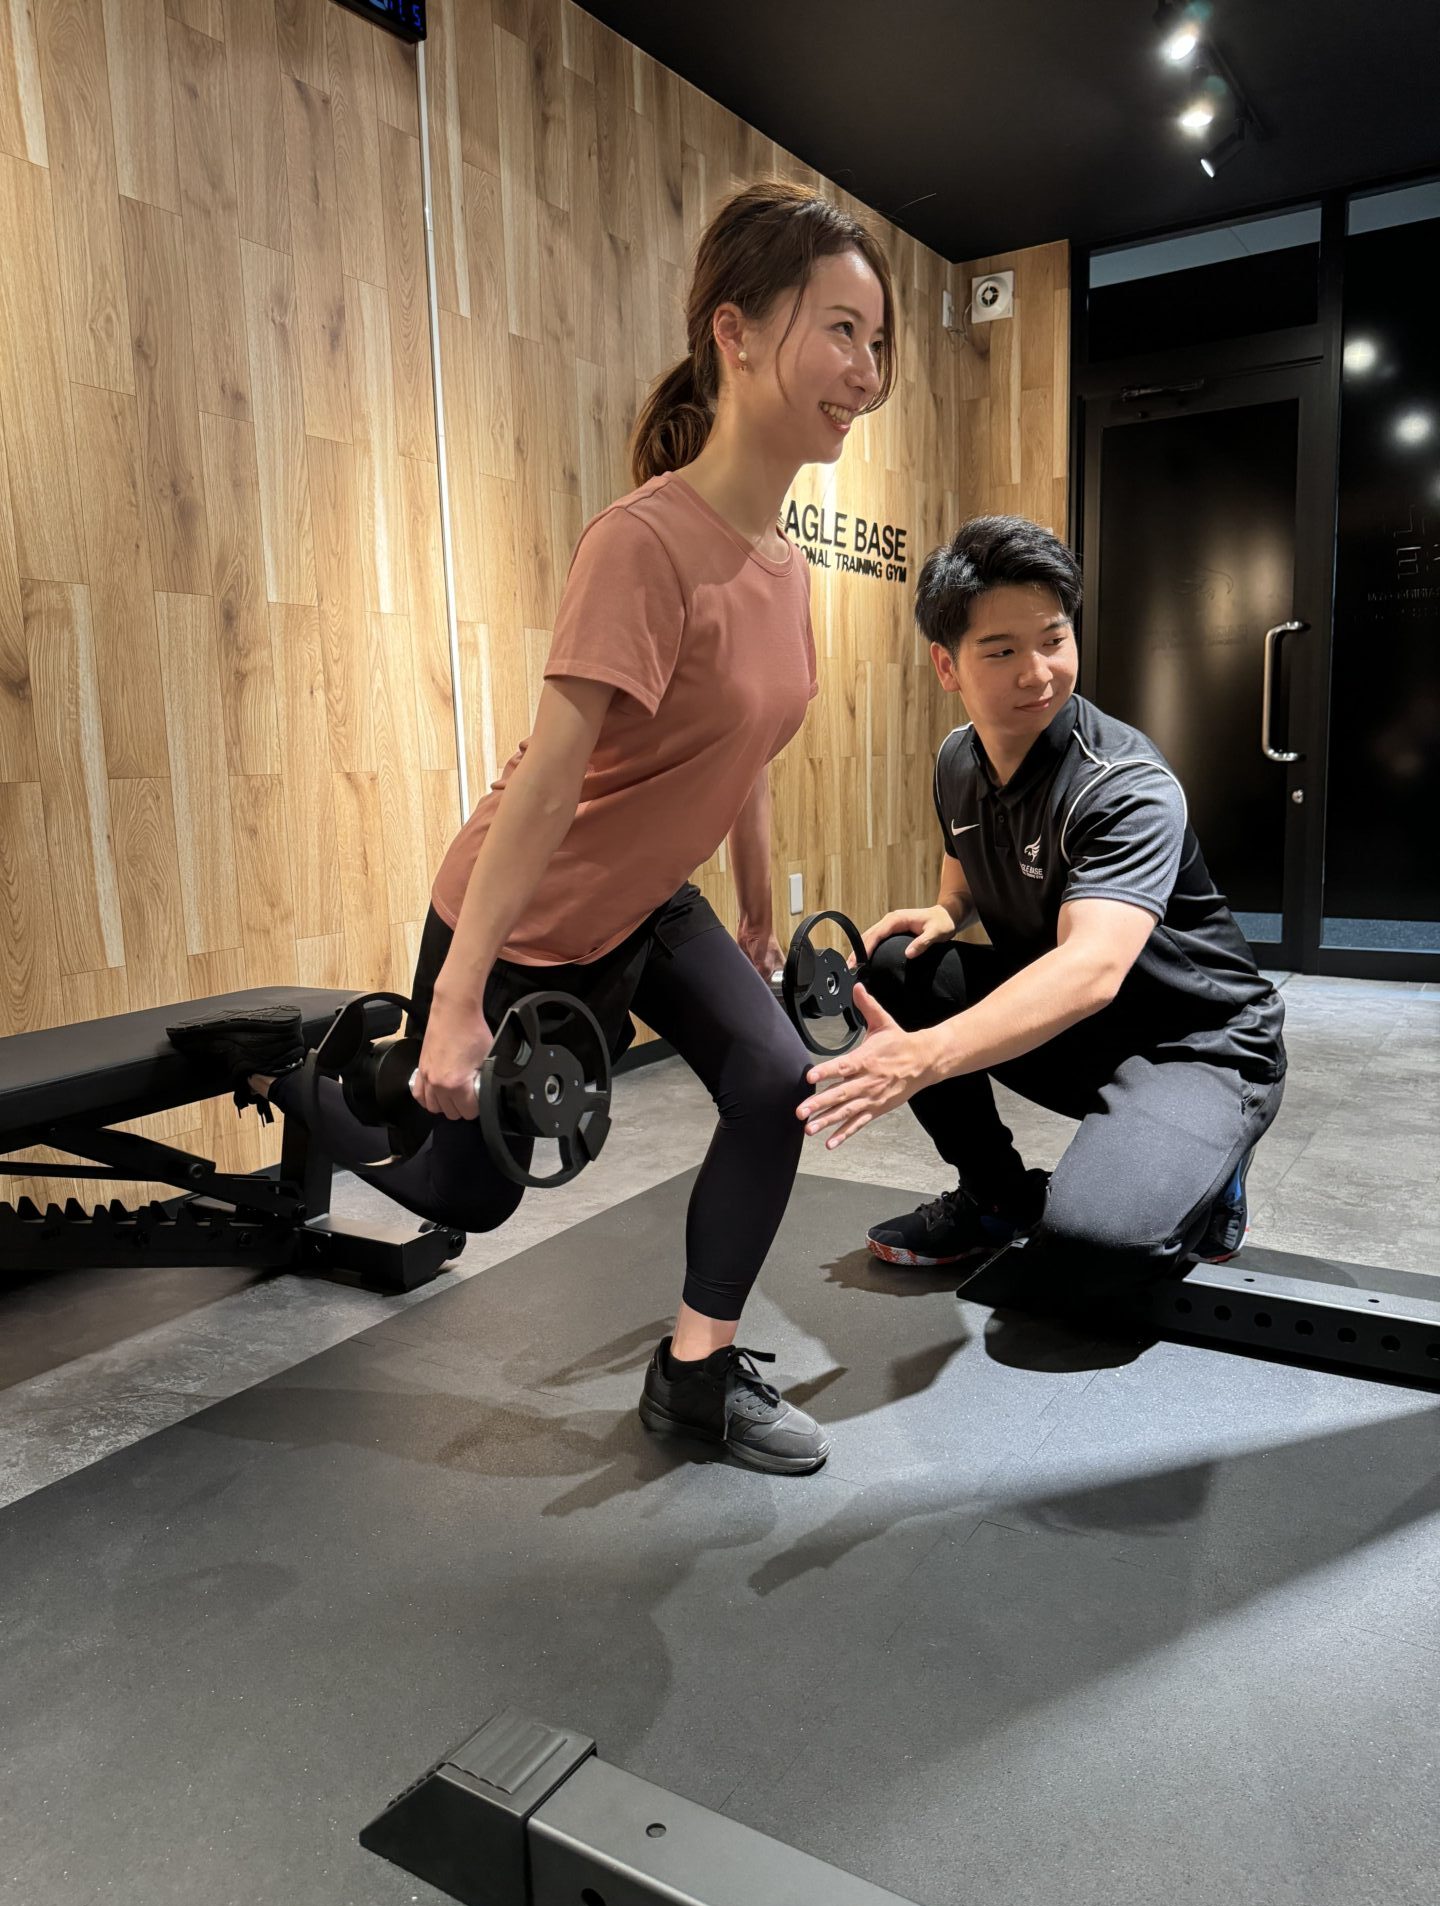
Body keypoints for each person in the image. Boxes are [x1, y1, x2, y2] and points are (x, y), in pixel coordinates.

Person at [168, 180, 897, 1475]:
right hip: (526, 913)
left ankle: (697, 1376)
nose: (867, 371)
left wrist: (759, 906)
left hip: (647, 904)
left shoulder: (785, 566)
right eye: (842, 330)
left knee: (774, 1081)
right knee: (466, 1196)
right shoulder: (643, 542)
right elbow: (551, 785)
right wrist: (457, 1003)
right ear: (736, 334)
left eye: (876, 341)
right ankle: (300, 1075)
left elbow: (746, 749)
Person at [795, 515, 1287, 1310]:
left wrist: (926, 1056)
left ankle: (1212, 1154)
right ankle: (996, 1197)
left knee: (1094, 1251)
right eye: (1001, 652)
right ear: (947, 665)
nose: (1038, 673)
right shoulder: (958, 759)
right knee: (896, 965)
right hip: (1080, 1030)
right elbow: (965, 852)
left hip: (1196, 1042)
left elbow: (1090, 969)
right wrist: (948, 910)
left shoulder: (1123, 785)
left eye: (1054, 640)